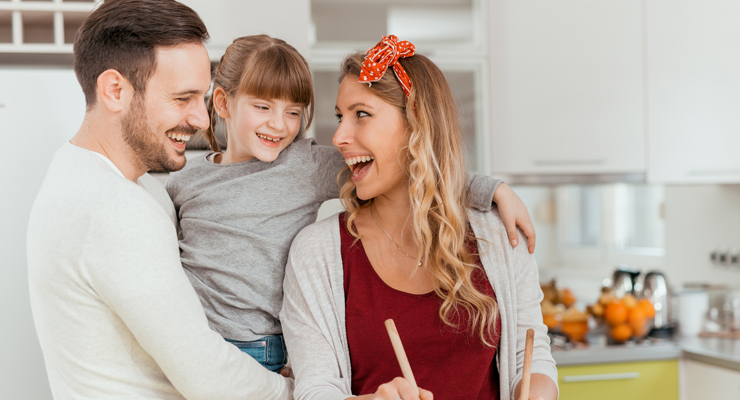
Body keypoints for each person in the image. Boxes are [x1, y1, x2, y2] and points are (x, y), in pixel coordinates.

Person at [165, 35, 535, 373]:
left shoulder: (304, 165)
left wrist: (492, 190)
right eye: (263, 107)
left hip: (262, 348)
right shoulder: (184, 181)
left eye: (293, 112)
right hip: (191, 338)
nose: (278, 125)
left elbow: (414, 167)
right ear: (223, 103)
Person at [26, 1, 292, 398]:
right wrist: (301, 391)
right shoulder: (113, 209)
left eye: (202, 98)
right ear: (115, 90)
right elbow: (209, 375)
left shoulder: (98, 176)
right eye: (182, 98)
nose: (202, 120)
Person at [280, 36, 558, 400]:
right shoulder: (316, 253)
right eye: (340, 116)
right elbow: (316, 389)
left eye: (361, 114)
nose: (339, 136)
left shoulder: (498, 233)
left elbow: (530, 355)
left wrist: (536, 392)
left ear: (417, 124)